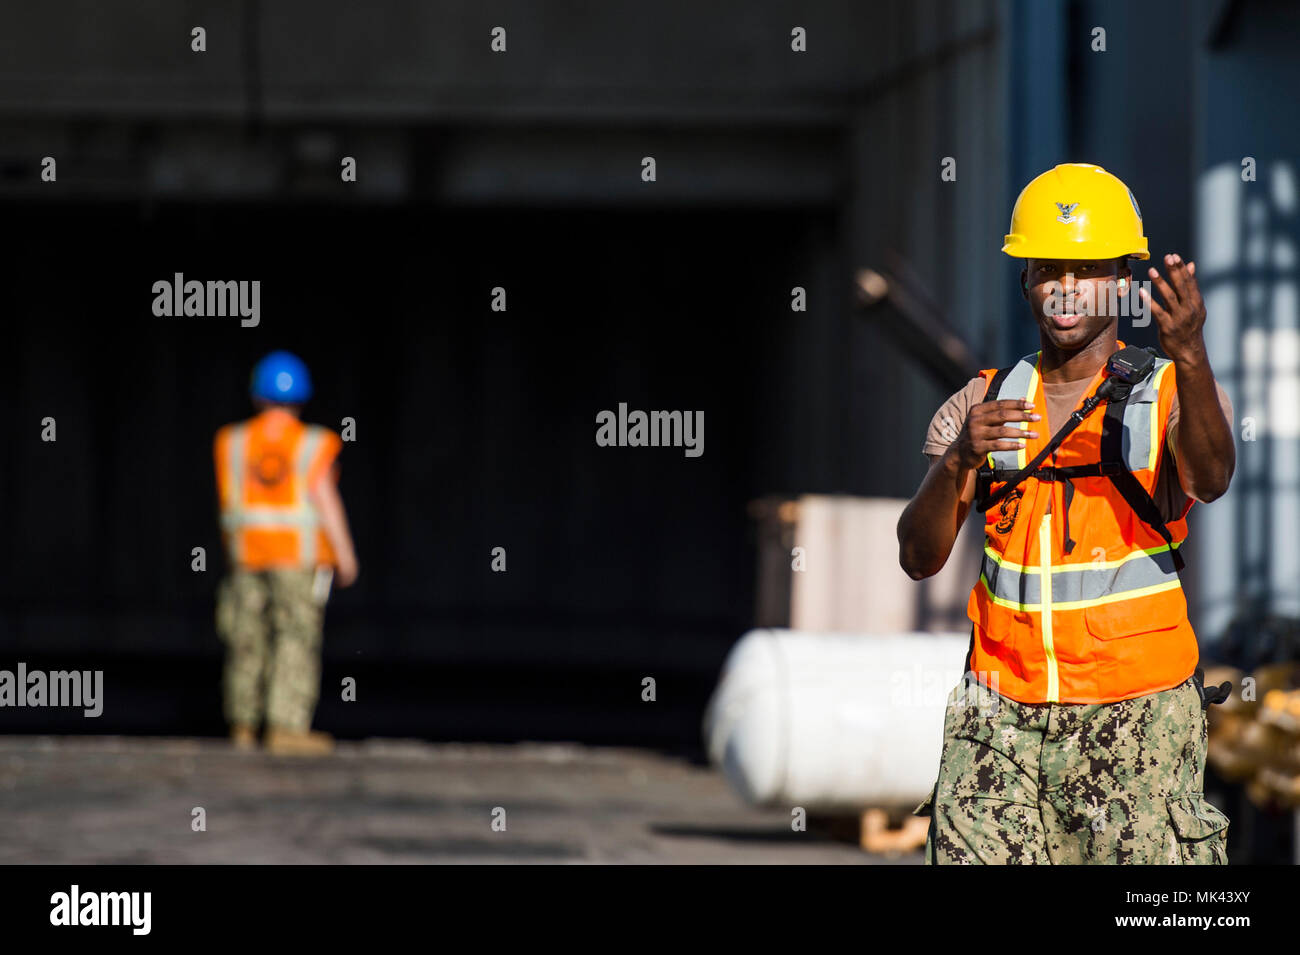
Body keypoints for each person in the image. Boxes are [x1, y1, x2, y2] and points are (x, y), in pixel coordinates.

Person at [898, 163, 1236, 863]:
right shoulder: (982, 403)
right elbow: (917, 555)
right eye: (1047, 269)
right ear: (1025, 280)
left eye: (1086, 270)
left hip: (1135, 715)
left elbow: (1212, 476)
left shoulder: (1169, 392)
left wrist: (1193, 357)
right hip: (996, 717)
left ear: (1121, 280)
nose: (1064, 288)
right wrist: (959, 459)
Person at [214, 350, 359, 756]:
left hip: (247, 558)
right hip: (296, 560)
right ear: (301, 397)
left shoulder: (233, 442)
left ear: (257, 396)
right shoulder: (313, 445)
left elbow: (230, 503)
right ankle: (285, 727)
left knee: (246, 639)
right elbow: (324, 499)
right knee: (294, 638)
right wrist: (345, 555)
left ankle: (243, 723)